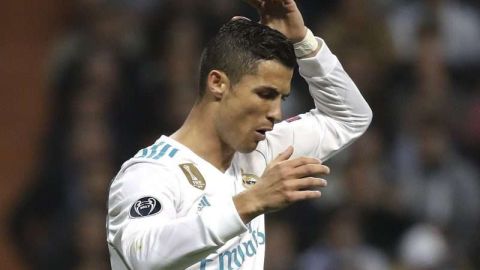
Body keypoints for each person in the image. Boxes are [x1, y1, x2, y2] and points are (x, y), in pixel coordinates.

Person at [106, 0, 372, 269]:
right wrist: (251, 201)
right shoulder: (152, 172)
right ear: (218, 83)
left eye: (281, 98)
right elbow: (142, 256)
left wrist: (303, 42)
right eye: (265, 94)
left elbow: (350, 117)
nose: (276, 113)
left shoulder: (262, 151)